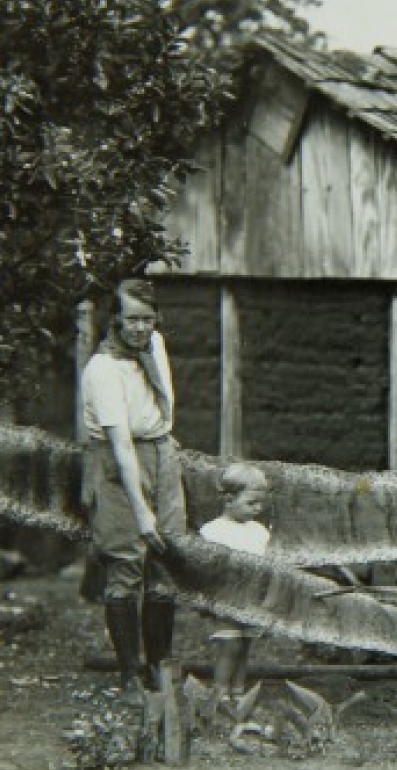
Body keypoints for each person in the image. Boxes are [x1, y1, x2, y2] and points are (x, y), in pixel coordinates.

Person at [81, 278, 185, 696]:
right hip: (120, 461)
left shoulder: (155, 345)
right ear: (115, 320)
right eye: (131, 320)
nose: (140, 328)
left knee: (167, 556)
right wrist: (141, 510)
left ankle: (160, 668)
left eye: (147, 318)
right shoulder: (102, 370)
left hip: (162, 452)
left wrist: (166, 454)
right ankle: (129, 673)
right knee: (126, 563)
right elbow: (121, 443)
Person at [198, 463, 272, 701]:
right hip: (226, 597)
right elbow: (206, 568)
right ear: (229, 499)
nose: (257, 508)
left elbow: (265, 565)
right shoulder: (212, 531)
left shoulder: (259, 532)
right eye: (251, 503)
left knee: (245, 645)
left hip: (251, 598)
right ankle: (219, 692)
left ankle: (238, 690)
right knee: (229, 645)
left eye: (260, 503)